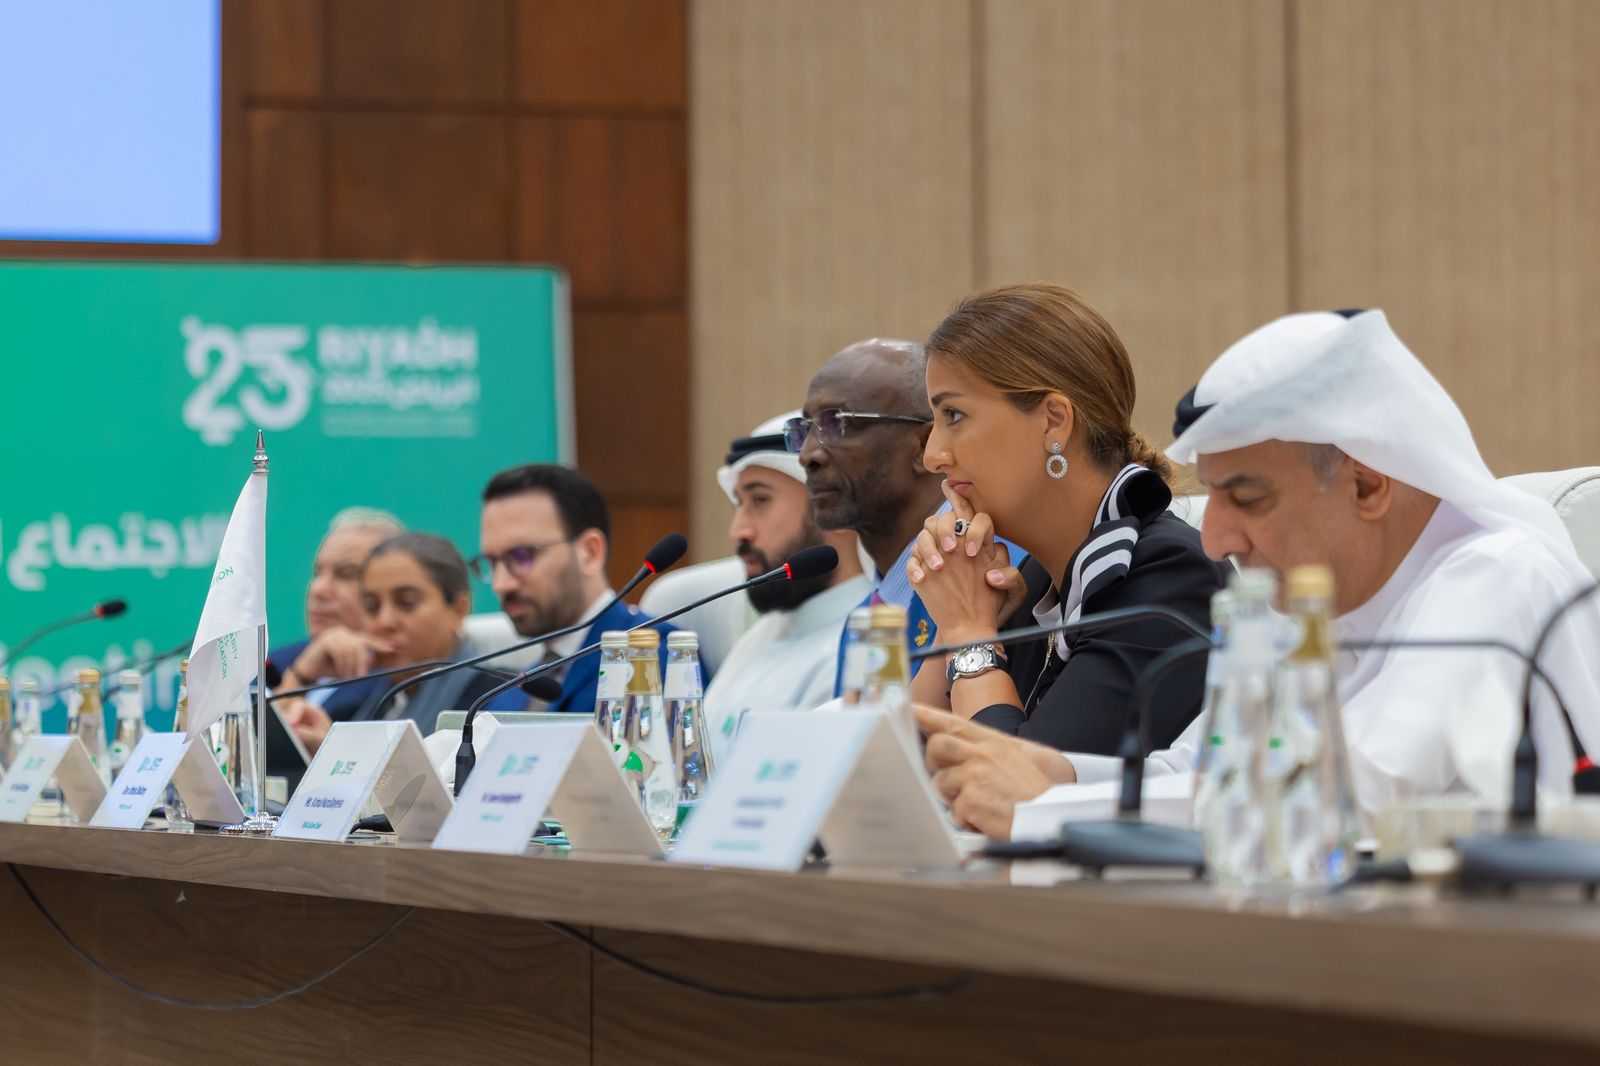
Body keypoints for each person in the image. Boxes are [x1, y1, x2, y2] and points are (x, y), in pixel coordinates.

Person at [920, 308, 1600, 840]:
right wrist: (1058, 775)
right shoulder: (1294, 605)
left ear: (1367, 484)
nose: (1215, 539)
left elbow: (1346, 796)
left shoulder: (1495, 575)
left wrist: (1048, 806)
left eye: (1246, 499)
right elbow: (1200, 769)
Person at [906, 283, 1226, 753]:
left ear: (1054, 420)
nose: (933, 455)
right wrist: (957, 622)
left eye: (953, 415)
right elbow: (891, 768)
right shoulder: (1038, 580)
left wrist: (968, 632)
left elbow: (1020, 786)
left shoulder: (1170, 576)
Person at [792, 339, 1022, 682]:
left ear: (923, 446)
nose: (807, 455)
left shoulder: (994, 573)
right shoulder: (865, 619)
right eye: (805, 429)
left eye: (835, 423)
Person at [701, 413, 872, 760]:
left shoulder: (863, 652)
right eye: (739, 504)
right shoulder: (759, 638)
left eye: (760, 500)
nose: (738, 530)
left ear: (835, 510)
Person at [475, 464, 683, 714]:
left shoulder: (651, 659)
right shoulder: (512, 692)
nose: (500, 584)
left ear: (590, 553)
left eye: (521, 556)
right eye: (492, 562)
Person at [281, 533, 501, 753]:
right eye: (372, 606)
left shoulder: (495, 701)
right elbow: (268, 751)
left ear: (459, 609)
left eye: (407, 603)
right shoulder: (361, 704)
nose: (384, 621)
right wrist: (302, 676)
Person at [271, 507, 404, 719]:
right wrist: (298, 678)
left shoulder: (399, 678)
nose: (319, 589)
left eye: (346, 574)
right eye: (317, 572)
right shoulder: (277, 662)